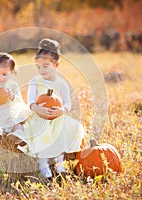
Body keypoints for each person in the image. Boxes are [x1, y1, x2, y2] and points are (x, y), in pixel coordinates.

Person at [17, 38, 85, 181]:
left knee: (63, 130)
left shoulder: (62, 84)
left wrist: (62, 111)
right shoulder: (35, 81)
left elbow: (67, 103)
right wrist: (36, 108)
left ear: (56, 65)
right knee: (40, 133)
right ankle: (43, 163)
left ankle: (59, 163)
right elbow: (30, 100)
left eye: (45, 66)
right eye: (38, 67)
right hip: (38, 115)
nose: (42, 70)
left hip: (56, 116)